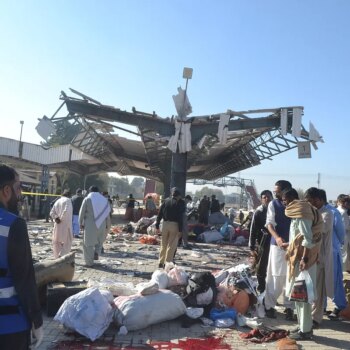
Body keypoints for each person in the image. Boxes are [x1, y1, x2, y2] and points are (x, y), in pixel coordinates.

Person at [0, 165, 43, 349]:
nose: (20, 195)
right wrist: (37, 320)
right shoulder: (13, 225)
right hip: (10, 326)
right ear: (6, 191)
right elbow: (24, 278)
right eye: (18, 188)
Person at [283, 188, 322, 341]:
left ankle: (305, 331)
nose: (283, 202)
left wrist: (305, 260)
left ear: (291, 198)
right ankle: (302, 326)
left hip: (303, 260)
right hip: (298, 258)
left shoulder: (302, 211)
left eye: (284, 199)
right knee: (298, 295)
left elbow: (307, 238)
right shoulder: (299, 211)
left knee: (303, 296)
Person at [264, 180, 294, 320]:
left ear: (286, 191)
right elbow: (269, 224)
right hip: (277, 246)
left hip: (293, 247)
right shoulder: (273, 204)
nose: (275, 193)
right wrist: (277, 238)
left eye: (277, 191)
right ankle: (269, 306)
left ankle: (289, 307)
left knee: (291, 278)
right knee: (276, 278)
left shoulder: (297, 205)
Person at [304, 187, 334, 328]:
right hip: (310, 255)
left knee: (319, 289)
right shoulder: (313, 212)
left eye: (312, 201)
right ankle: (309, 315)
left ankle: (316, 318)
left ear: (319, 200)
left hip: (320, 257)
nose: (311, 204)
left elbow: (318, 230)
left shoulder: (327, 214)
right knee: (310, 287)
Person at [324, 191, 347, 320]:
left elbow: (340, 232)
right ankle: (321, 307)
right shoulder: (316, 211)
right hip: (321, 252)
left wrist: (336, 245)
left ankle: (340, 306)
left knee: (335, 280)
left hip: (332, 251)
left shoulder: (334, 212)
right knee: (320, 281)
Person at [79, 186, 111, 266]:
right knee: (99, 242)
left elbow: (81, 213)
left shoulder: (87, 199)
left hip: (90, 225)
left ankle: (89, 263)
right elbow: (108, 214)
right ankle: (96, 252)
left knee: (88, 244)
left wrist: (80, 223)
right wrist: (107, 225)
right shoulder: (104, 200)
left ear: (90, 191)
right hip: (102, 224)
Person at [248, 190, 273, 293]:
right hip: (263, 243)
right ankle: (261, 289)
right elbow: (253, 230)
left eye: (268, 197)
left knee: (272, 268)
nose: (266, 199)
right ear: (261, 199)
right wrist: (252, 246)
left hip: (274, 243)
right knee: (261, 267)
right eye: (264, 197)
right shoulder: (259, 212)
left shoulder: (275, 210)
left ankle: (270, 291)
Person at [155, 187, 185, 268]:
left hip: (165, 224)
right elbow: (180, 217)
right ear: (178, 196)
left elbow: (160, 213)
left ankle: (161, 262)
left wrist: (157, 225)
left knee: (163, 244)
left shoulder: (166, 201)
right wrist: (180, 230)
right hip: (174, 225)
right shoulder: (179, 203)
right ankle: (167, 263)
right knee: (171, 246)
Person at [50, 189, 73, 259]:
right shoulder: (68, 200)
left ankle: (56, 256)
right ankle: (62, 255)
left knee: (57, 242)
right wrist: (61, 219)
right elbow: (66, 211)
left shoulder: (57, 201)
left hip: (57, 224)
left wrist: (56, 218)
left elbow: (51, 213)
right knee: (68, 242)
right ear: (69, 195)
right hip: (66, 224)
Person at [337, 194, 350, 273]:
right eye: (347, 203)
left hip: (339, 237)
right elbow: (346, 226)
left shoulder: (337, 210)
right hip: (344, 236)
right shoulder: (343, 212)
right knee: (344, 254)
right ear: (342, 202)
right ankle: (343, 271)